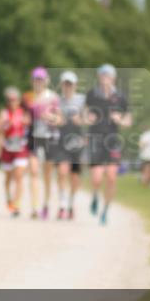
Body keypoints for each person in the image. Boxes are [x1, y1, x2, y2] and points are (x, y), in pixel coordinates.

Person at [86, 64, 132, 225]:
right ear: (99, 77)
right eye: (103, 75)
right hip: (96, 139)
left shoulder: (120, 97)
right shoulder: (92, 95)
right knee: (97, 178)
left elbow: (128, 120)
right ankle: (95, 196)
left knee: (112, 177)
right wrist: (88, 118)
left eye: (108, 75)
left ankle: (105, 210)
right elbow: (85, 114)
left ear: (113, 78)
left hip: (113, 140)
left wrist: (121, 120)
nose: (105, 78)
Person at [22, 67, 59, 219]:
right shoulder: (27, 97)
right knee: (34, 171)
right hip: (33, 137)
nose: (38, 82)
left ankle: (46, 204)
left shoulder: (53, 97)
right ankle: (35, 207)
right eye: (36, 79)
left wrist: (50, 117)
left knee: (47, 174)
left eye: (41, 79)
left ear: (46, 81)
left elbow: (60, 119)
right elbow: (24, 117)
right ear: (32, 81)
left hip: (50, 136)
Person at [0, 87, 30, 217]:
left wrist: (26, 124)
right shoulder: (3, 113)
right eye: (9, 100)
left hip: (20, 147)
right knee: (8, 177)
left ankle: (16, 204)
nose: (12, 102)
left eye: (14, 99)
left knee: (19, 176)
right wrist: (2, 125)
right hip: (7, 148)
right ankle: (9, 198)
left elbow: (30, 128)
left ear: (19, 100)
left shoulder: (24, 113)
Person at [54, 71, 86, 219]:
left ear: (75, 85)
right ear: (61, 85)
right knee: (61, 172)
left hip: (77, 142)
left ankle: (71, 204)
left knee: (74, 177)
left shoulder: (82, 100)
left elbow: (89, 120)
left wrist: (79, 119)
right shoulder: (56, 101)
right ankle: (62, 204)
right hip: (61, 141)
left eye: (70, 84)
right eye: (65, 84)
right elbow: (54, 119)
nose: (68, 87)